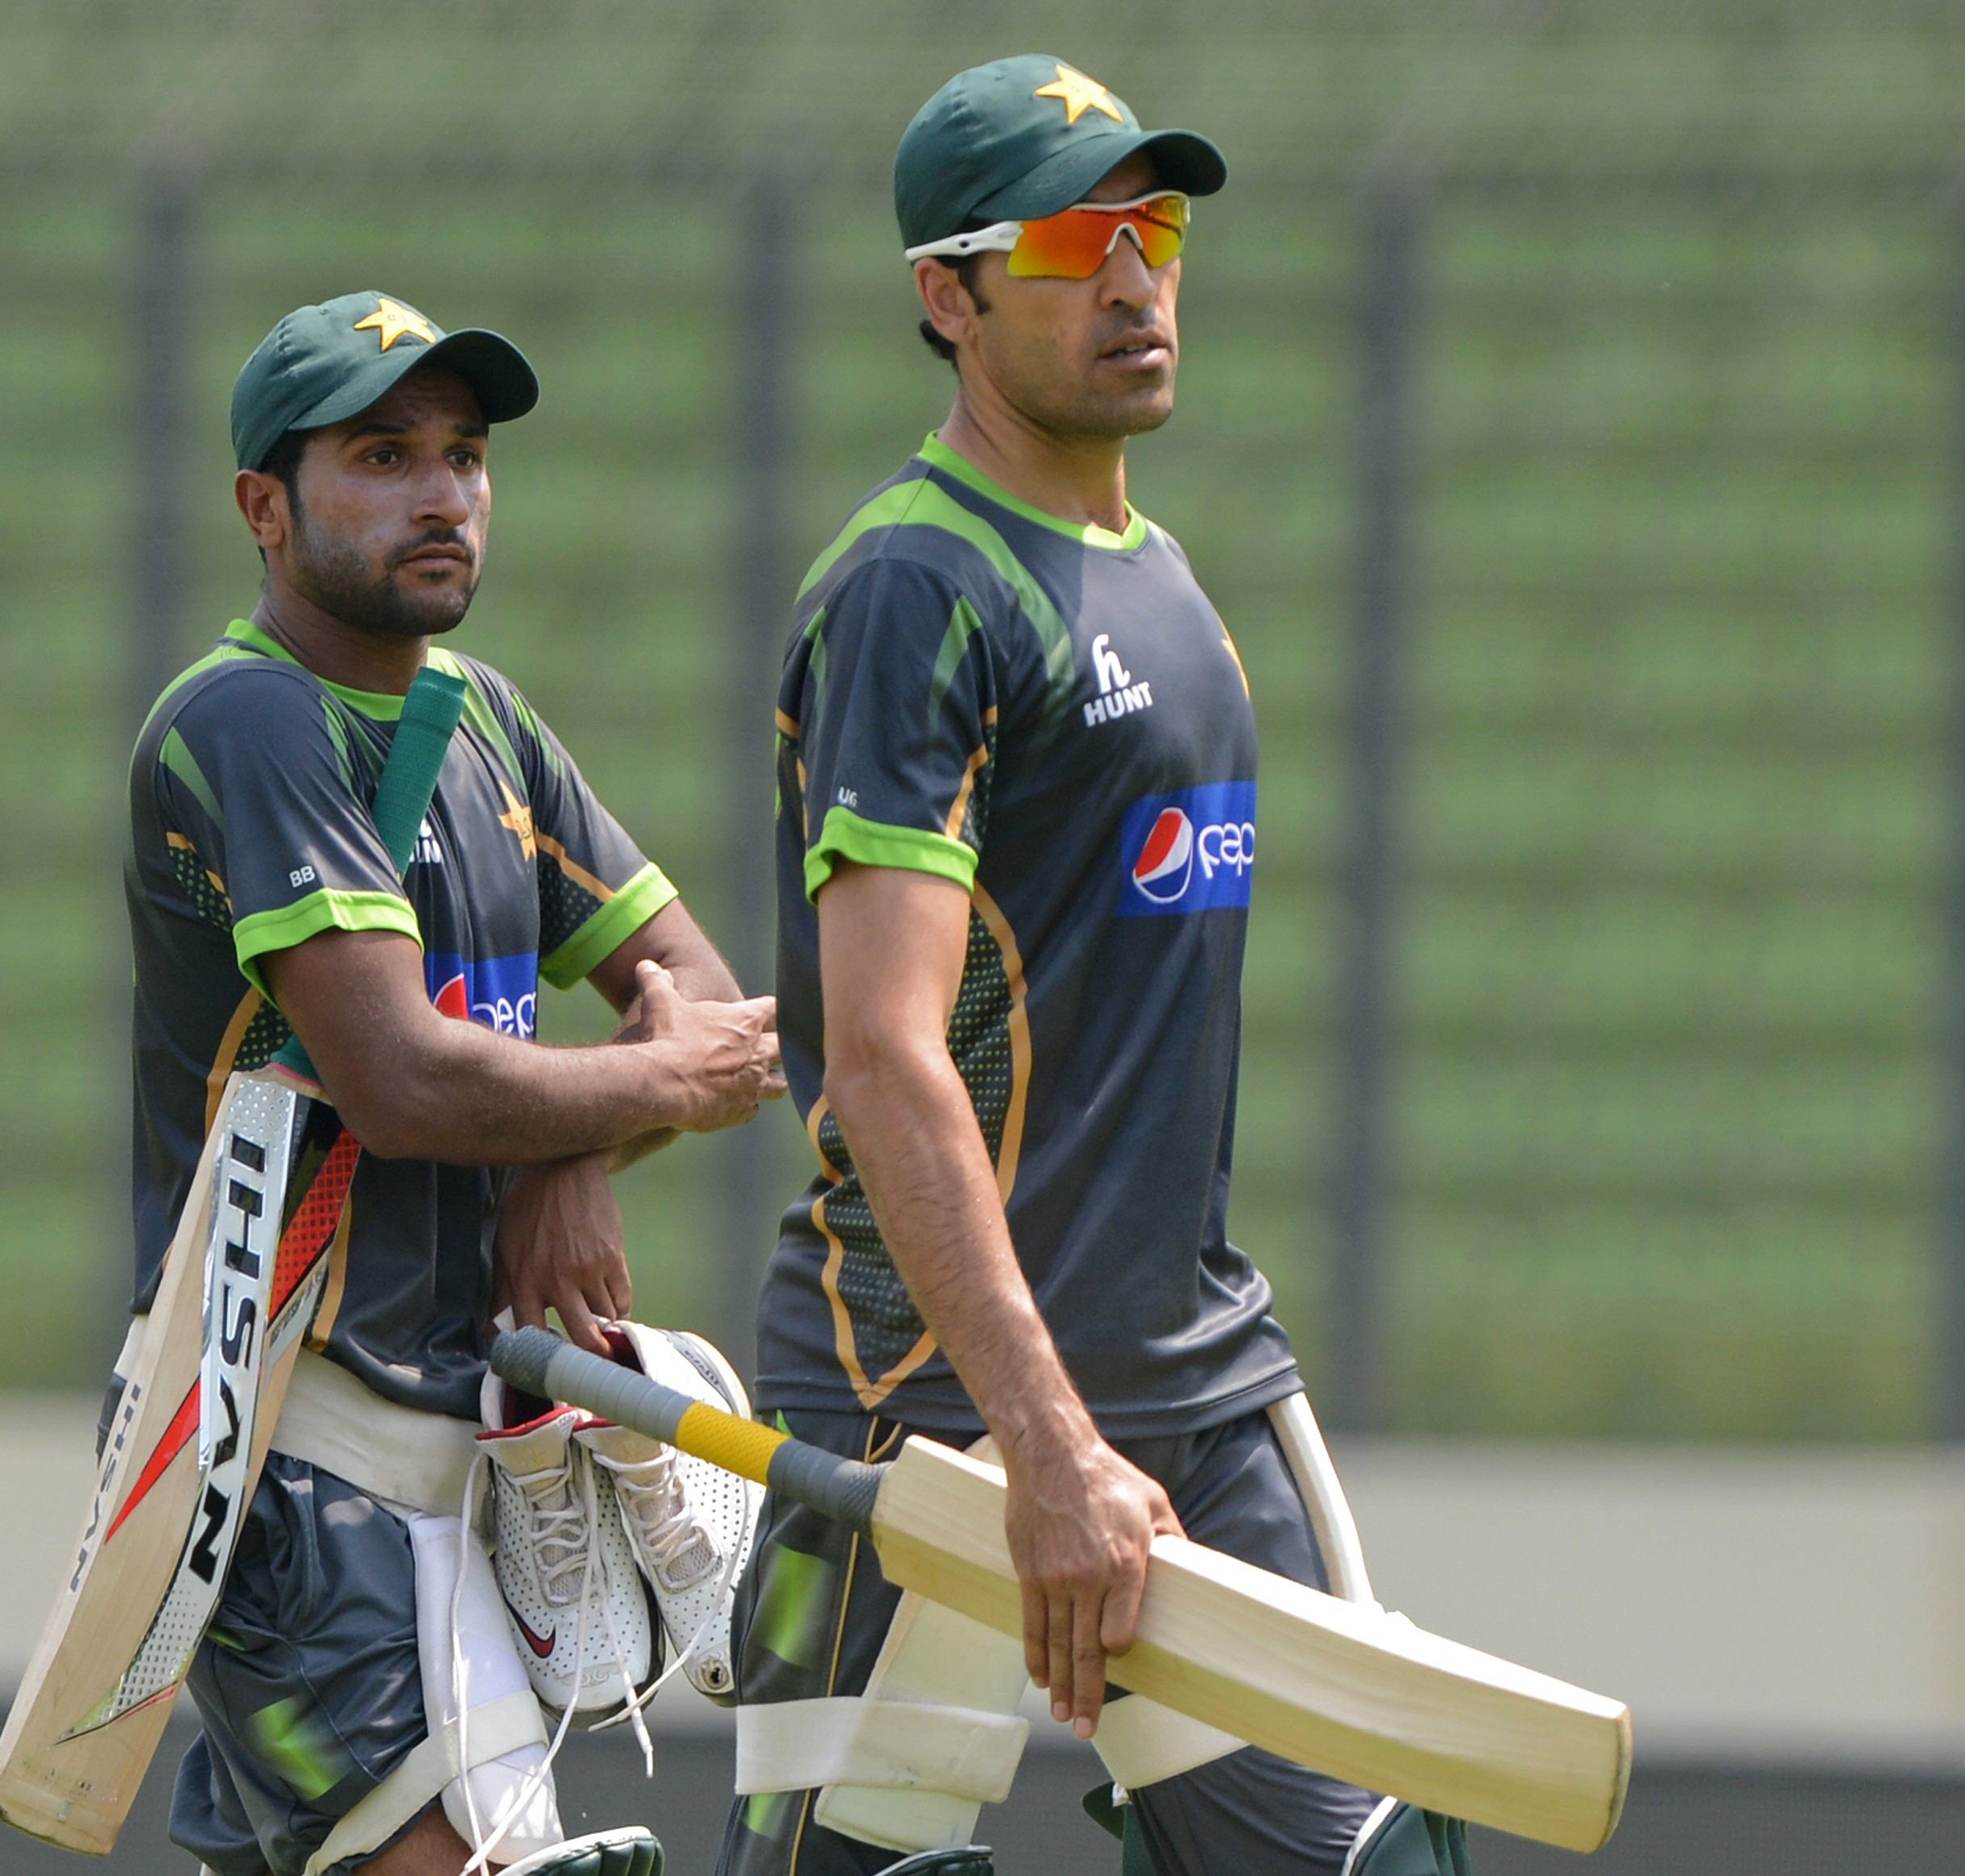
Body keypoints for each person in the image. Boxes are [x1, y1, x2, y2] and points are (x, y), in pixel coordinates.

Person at [720, 59, 1469, 1876]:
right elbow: (887, 1058)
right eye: (1072, 239)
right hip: (931, 1416)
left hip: (1189, 1400)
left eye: (1158, 228)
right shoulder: (917, 591)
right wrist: (1043, 1445)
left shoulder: (1168, 582)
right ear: (946, 298)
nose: (1135, 279)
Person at [125, 289, 781, 1876]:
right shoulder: (246, 725)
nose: (444, 493)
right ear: (263, 509)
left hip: (470, 1451)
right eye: (383, 454)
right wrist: (631, 1089)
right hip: (294, 1451)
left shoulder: (485, 720)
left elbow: (695, 997)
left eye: (465, 455)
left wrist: (564, 1160)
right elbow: (409, 1081)